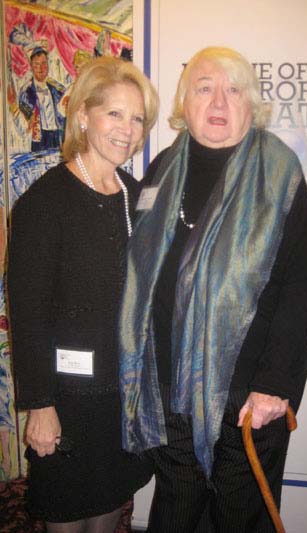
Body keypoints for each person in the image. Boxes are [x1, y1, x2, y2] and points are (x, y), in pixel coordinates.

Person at [119, 46, 307, 532]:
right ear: (184, 104)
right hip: (170, 394)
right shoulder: (164, 169)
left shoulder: (278, 173)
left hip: (247, 401)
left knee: (239, 516)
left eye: (233, 90)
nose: (218, 102)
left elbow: (301, 283)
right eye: (204, 88)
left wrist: (276, 384)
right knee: (175, 512)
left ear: (251, 107)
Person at [8, 56, 159, 532]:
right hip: (66, 399)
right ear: (82, 115)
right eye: (114, 113)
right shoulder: (45, 202)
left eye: (137, 119)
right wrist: (41, 405)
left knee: (110, 512)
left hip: (121, 398)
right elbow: (27, 314)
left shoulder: (138, 197)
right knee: (66, 519)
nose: (127, 129)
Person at [17, 43, 66, 152]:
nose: (40, 68)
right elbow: (25, 122)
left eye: (44, 63)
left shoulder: (58, 89)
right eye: (36, 64)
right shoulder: (26, 91)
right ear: (31, 66)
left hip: (57, 135)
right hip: (39, 137)